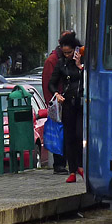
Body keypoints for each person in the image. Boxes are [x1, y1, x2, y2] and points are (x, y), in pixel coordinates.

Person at [48, 31, 85, 183]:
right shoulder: (61, 63)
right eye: (64, 53)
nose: (67, 55)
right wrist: (57, 93)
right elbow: (52, 82)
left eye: (70, 52)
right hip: (68, 102)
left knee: (79, 134)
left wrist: (79, 66)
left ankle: (81, 166)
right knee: (69, 137)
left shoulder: (84, 62)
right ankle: (72, 170)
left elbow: (91, 78)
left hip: (82, 102)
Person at [41, 34, 75, 174]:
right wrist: (53, 103)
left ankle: (66, 162)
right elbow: (49, 84)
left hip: (68, 101)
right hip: (59, 103)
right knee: (60, 133)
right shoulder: (53, 61)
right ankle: (59, 164)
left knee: (68, 133)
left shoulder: (70, 59)